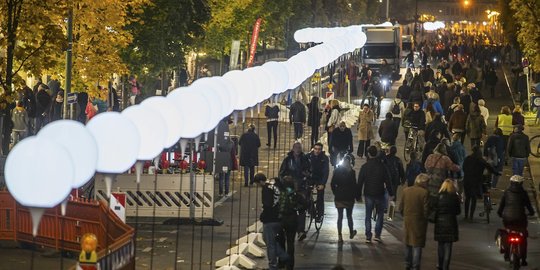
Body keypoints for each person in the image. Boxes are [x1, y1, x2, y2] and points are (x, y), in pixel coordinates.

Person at [357, 146, 393, 243]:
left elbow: (360, 181)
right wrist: (391, 193)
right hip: (379, 193)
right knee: (380, 214)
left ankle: (368, 236)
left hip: (368, 193)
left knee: (368, 215)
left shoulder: (365, 167)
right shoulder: (382, 166)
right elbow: (388, 180)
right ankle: (377, 235)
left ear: (368, 154)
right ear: (376, 154)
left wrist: (358, 195)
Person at [252, 173, 289, 270]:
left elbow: (268, 205)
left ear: (260, 181)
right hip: (279, 217)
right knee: (267, 239)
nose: (257, 186)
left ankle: (273, 265)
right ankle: (283, 255)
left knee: (270, 243)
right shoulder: (273, 185)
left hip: (270, 219)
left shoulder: (266, 189)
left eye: (257, 183)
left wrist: (263, 216)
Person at [497, 175, 535, 266]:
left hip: (508, 219)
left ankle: (506, 254)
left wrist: (500, 213)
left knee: (507, 233)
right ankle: (524, 259)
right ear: (521, 183)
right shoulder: (523, 193)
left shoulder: (506, 192)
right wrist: (531, 213)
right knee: (523, 237)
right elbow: (529, 206)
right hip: (520, 219)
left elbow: (501, 205)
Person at [279, 141, 311, 241]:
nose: (298, 150)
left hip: (301, 186)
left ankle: (300, 230)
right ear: (293, 149)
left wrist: (306, 175)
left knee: (301, 208)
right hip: (290, 187)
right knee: (288, 206)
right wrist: (284, 181)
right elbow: (281, 173)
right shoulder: (288, 160)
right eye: (296, 148)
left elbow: (309, 171)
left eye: (299, 148)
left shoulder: (305, 159)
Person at [398, 173, 430, 270]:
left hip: (407, 221)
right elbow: (426, 210)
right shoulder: (424, 193)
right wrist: (426, 218)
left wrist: (406, 215)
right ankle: (415, 267)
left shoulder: (406, 190)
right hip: (419, 222)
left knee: (408, 244)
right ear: (424, 182)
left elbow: (400, 208)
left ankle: (407, 264)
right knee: (417, 245)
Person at [462, 146, 498, 221]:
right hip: (476, 181)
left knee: (467, 198)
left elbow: (464, 168)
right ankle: (471, 216)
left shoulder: (468, 158)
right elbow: (489, 167)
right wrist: (496, 173)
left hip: (467, 181)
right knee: (474, 199)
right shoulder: (480, 160)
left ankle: (466, 216)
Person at [278, 176, 305, 270]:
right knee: (290, 243)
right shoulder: (295, 194)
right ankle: (290, 264)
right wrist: (297, 208)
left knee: (281, 241)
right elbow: (305, 204)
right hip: (292, 219)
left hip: (281, 219)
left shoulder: (280, 194)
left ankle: (281, 261)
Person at [434, 179, 461, 270]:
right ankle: (446, 267)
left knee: (440, 245)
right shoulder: (454, 197)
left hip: (440, 223)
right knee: (448, 247)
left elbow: (435, 210)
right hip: (451, 223)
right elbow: (458, 211)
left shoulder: (438, 196)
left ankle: (440, 264)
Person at [330, 154, 357, 243]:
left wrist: (336, 192)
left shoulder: (337, 171)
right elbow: (354, 185)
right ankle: (351, 232)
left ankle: (339, 235)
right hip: (349, 197)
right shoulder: (352, 172)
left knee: (340, 217)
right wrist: (356, 196)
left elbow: (332, 183)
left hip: (339, 197)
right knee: (349, 216)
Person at [308, 142, 329, 221]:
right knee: (306, 194)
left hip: (319, 178)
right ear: (313, 149)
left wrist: (323, 184)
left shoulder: (324, 158)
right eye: (315, 149)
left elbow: (326, 172)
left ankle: (320, 214)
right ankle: (311, 210)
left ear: (321, 150)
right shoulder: (308, 156)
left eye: (319, 149)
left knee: (320, 195)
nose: (317, 151)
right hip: (311, 177)